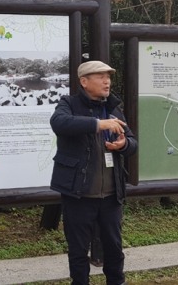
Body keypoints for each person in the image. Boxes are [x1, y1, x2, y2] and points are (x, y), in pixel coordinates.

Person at [49, 60, 137, 285]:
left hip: (111, 196)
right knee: (78, 251)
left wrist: (123, 144)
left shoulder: (113, 107)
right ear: (84, 82)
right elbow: (59, 123)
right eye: (100, 76)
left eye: (108, 76)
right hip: (78, 195)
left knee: (114, 249)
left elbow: (133, 142)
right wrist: (99, 124)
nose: (107, 81)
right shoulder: (68, 103)